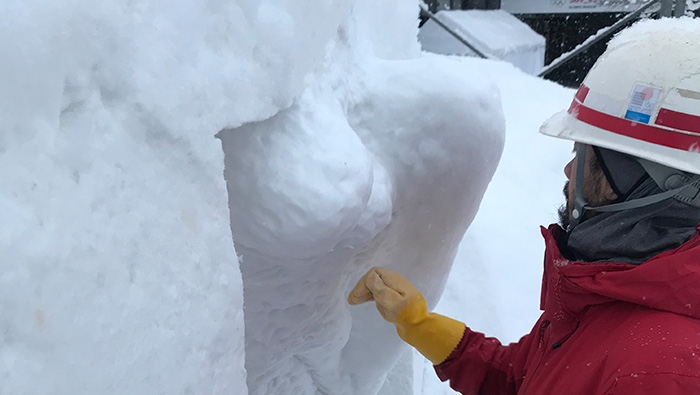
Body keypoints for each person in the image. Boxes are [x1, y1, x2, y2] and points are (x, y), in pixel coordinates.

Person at [348, 19, 700, 395]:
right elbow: (523, 379)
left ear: (633, 183)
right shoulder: (612, 290)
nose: (568, 169)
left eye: (582, 154)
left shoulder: (657, 372)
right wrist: (419, 324)